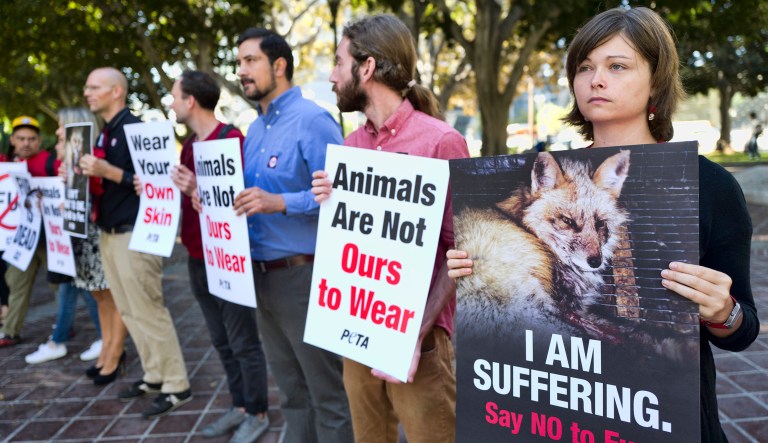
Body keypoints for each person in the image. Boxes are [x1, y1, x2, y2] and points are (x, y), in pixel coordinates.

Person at [446, 7, 759, 442]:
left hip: (666, 418)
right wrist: (472, 270)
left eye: (617, 66)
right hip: (562, 413)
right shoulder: (542, 174)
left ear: (656, 79)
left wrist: (724, 311)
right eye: (585, 67)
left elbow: (742, 332)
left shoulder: (712, 186)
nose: (596, 79)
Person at [311, 14, 469, 442]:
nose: (331, 75)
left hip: (420, 336)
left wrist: (416, 335)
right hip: (357, 330)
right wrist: (330, 201)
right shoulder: (349, 148)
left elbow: (462, 254)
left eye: (339, 62)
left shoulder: (441, 142)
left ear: (366, 67)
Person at [231, 28, 353, 442]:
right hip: (261, 277)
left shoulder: (313, 120)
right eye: (239, 62)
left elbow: (342, 196)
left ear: (278, 65)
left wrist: (278, 202)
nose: (241, 71)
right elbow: (250, 198)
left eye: (250, 61)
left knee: (328, 394)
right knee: (291, 393)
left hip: (304, 278)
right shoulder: (255, 129)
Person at [79, 67, 191, 418]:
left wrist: (107, 172)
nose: (87, 92)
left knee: (148, 310)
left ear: (116, 91)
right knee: (129, 310)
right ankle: (154, 375)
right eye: (86, 87)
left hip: (136, 232)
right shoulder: (107, 131)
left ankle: (176, 384)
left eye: (94, 87)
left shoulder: (136, 130)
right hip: (111, 233)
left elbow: (156, 181)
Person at [164, 70, 270, 442]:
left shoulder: (232, 140)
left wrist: (198, 187)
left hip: (229, 258)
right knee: (221, 340)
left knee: (243, 341)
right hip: (197, 256)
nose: (172, 104)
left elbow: (238, 199)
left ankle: (257, 411)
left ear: (190, 100)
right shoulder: (191, 145)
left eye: (175, 97)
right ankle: (239, 405)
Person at [24, 107, 106, 366]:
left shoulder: (95, 158)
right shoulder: (68, 163)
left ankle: (106, 343)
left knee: (93, 291)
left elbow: (97, 195)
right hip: (74, 238)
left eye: (61, 131)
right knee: (77, 287)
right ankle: (71, 339)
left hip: (89, 237)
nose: (57, 134)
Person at [0, 115, 61, 348]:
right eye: (21, 138)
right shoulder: (4, 163)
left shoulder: (49, 162)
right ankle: (10, 330)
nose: (26, 143)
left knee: (57, 283)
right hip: (20, 238)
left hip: (48, 235)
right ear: (13, 139)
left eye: (31, 139)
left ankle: (63, 325)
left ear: (39, 140)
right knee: (17, 283)